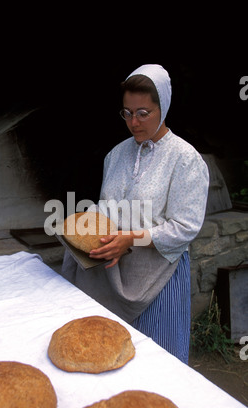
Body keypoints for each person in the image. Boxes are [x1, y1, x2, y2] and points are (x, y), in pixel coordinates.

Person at [62, 64, 209, 364]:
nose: (134, 122)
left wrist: (130, 239)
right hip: (113, 272)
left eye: (144, 113)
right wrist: (84, 223)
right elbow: (107, 206)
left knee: (158, 359)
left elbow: (185, 227)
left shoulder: (185, 160)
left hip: (158, 277)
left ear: (163, 107)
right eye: (127, 113)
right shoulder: (116, 155)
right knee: (113, 353)